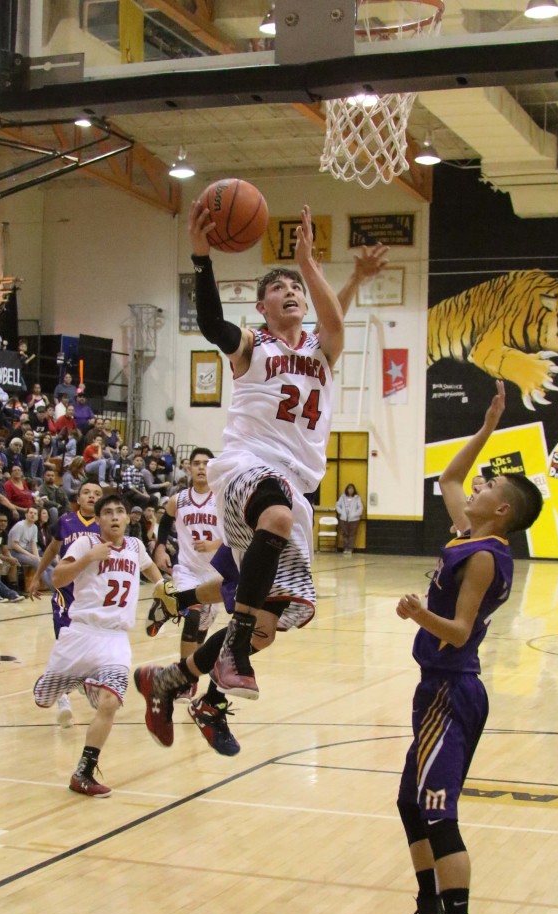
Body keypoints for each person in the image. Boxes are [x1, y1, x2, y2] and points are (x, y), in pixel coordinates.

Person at [136, 208, 388, 757]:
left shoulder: (323, 349)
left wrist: (345, 279)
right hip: (246, 468)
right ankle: (223, 650)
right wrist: (202, 258)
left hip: (295, 487)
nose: (290, 291)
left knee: (267, 628)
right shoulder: (254, 346)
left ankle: (178, 684)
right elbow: (210, 324)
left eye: (296, 286)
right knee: (271, 520)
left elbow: (335, 320)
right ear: (262, 307)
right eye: (278, 288)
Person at [388, 383, 543, 914]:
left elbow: (457, 632)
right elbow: (450, 475)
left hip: (454, 690)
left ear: (500, 512)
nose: (473, 488)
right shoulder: (467, 536)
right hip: (437, 690)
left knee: (437, 811)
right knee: (409, 803)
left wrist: (415, 612)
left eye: (487, 490)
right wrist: (486, 426)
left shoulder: (483, 559)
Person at [32, 494, 162, 796]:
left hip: (115, 639)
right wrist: (89, 558)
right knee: (44, 699)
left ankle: (84, 772)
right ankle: (71, 679)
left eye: (120, 512)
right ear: (99, 519)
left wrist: (167, 592)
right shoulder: (85, 544)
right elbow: (58, 578)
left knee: (110, 702)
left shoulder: (135, 546)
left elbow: (154, 574)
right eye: (108, 512)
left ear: (128, 518)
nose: (115, 517)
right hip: (81, 634)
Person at [28, 480, 104, 728]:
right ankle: (62, 699)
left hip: (93, 596)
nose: (91, 496)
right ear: (78, 498)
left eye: (97, 493)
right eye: (86, 492)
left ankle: (82, 681)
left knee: (90, 649)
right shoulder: (66, 521)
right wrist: (38, 576)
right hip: (66, 593)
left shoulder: (106, 526)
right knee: (65, 646)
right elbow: (52, 549)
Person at [152, 447, 223, 672]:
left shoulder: (222, 498)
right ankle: (183, 677)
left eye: (206, 463)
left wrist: (215, 544)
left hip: (215, 572)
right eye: (197, 463)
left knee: (201, 631)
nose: (202, 467)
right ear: (189, 468)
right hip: (187, 569)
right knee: (192, 618)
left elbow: (237, 532)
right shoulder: (178, 500)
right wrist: (161, 548)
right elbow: (164, 522)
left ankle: (190, 670)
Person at [335, 483, 363, 555]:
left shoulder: (357, 498)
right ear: (347, 489)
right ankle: (345, 548)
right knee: (345, 534)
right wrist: (341, 512)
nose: (350, 490)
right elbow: (338, 505)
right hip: (344, 519)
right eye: (349, 488)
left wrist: (355, 514)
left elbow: (360, 508)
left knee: (352, 534)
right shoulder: (342, 497)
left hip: (354, 519)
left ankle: (350, 548)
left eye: (352, 489)